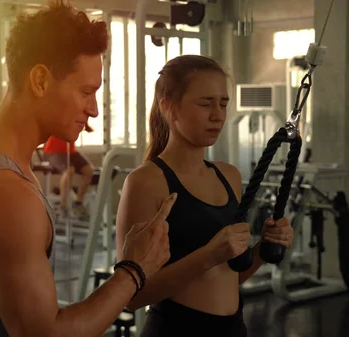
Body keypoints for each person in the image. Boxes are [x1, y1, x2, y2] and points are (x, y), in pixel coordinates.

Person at [0, 2, 172, 337]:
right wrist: (134, 270)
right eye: (85, 91)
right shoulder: (6, 196)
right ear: (39, 80)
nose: (94, 110)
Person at [115, 55, 295, 337]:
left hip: (233, 328)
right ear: (169, 108)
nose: (218, 115)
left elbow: (227, 277)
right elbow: (132, 295)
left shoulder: (229, 176)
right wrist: (208, 255)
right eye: (205, 104)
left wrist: (263, 249)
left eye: (223, 103)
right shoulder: (146, 181)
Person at [43, 122, 95, 220]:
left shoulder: (77, 113)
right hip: (53, 151)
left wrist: (86, 126)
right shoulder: (58, 114)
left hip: (71, 152)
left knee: (88, 170)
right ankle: (64, 207)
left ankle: (78, 203)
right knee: (69, 170)